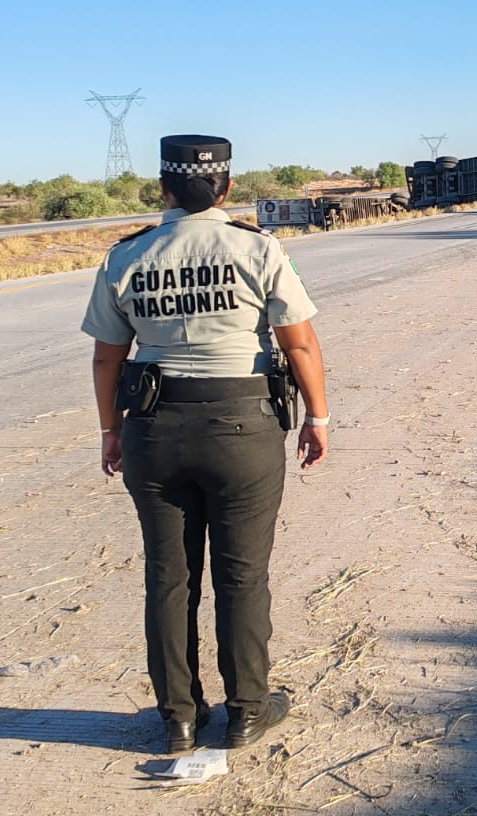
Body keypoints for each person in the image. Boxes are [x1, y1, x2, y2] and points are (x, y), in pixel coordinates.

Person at [82, 134, 330, 754]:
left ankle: (179, 719)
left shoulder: (126, 256)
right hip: (243, 426)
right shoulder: (259, 248)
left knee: (169, 578)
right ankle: (247, 710)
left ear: (163, 188)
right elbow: (299, 342)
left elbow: (107, 357)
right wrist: (318, 417)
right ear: (226, 187)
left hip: (153, 428)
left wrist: (111, 429)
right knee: (242, 575)